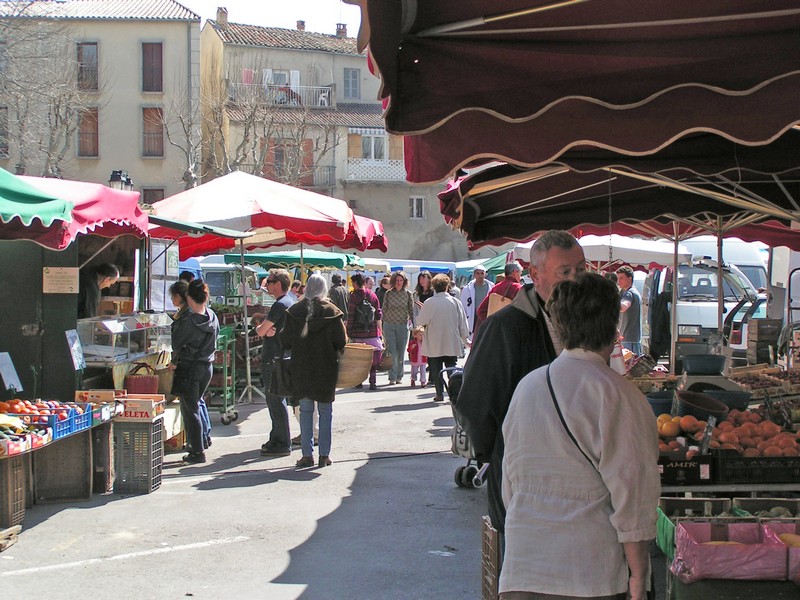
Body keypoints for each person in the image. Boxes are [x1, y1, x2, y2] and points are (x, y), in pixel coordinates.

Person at [500, 272, 659, 600]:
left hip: (523, 568)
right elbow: (633, 494)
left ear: (559, 324)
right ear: (614, 328)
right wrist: (639, 576)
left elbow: (510, 483)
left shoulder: (527, 387)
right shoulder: (620, 396)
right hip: (589, 574)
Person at [455, 230, 586, 537]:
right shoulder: (505, 327)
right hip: (523, 480)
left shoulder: (584, 324)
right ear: (534, 275)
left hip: (574, 483)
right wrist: (503, 455)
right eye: (565, 272)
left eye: (581, 270)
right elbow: (475, 404)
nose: (576, 280)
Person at [281, 274, 347, 469]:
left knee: (306, 412)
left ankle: (306, 455)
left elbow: (285, 341)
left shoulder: (294, 311)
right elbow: (341, 342)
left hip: (302, 368)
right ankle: (324, 455)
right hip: (326, 368)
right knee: (326, 412)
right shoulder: (333, 312)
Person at [169, 279, 219, 464]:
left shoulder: (188, 321)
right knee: (196, 405)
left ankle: (197, 451)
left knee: (191, 410)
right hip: (207, 366)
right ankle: (202, 442)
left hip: (190, 368)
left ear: (188, 297)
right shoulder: (212, 316)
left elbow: (175, 343)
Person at [255, 269, 296, 457]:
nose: (267, 285)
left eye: (270, 281)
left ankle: (281, 441)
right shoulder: (291, 302)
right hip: (284, 356)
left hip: (273, 358)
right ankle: (277, 437)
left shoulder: (280, 305)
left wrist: (262, 328)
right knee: (277, 401)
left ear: (278, 284)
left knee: (275, 401)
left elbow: (261, 331)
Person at [416, 274, 469, 402]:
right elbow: (463, 322)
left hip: (434, 342)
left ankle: (439, 394)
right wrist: (465, 339)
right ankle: (454, 393)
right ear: (447, 286)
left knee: (436, 369)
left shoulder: (429, 302)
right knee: (451, 367)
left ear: (433, 287)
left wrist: (423, 310)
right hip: (451, 341)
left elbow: (421, 321)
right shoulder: (455, 302)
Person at [346, 273, 383, 390]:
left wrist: (349, 330)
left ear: (356, 283)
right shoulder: (372, 295)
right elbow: (378, 313)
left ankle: (359, 382)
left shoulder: (354, 296)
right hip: (372, 331)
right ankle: (373, 382)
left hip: (358, 332)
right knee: (371, 358)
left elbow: (351, 314)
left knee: (359, 359)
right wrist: (379, 330)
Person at [381, 271, 415, 385]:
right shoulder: (389, 294)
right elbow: (384, 309)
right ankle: (392, 376)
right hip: (389, 324)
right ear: (393, 281)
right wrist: (382, 325)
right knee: (391, 351)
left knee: (401, 351)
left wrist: (414, 325)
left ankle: (399, 375)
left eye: (401, 280)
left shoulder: (408, 294)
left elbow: (411, 310)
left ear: (404, 282)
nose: (399, 283)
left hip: (402, 325)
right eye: (397, 281)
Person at [473, 262, 524, 334]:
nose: (520, 277)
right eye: (520, 274)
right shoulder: (517, 288)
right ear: (515, 272)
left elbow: (481, 311)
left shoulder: (495, 288)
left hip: (496, 333)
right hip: (512, 333)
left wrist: (493, 324)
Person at [616, 265, 643, 354]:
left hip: (629, 339)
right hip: (632, 338)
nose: (618, 281)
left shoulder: (629, 293)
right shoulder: (632, 292)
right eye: (618, 278)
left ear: (629, 278)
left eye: (621, 278)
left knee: (629, 366)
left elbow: (623, 306)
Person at [460, 265, 492, 338]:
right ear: (474, 275)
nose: (480, 275)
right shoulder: (467, 289)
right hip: (473, 318)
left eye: (482, 273)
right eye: (477, 273)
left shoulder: (492, 287)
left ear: (485, 274)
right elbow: (463, 306)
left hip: (486, 317)